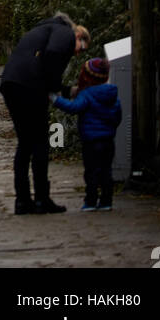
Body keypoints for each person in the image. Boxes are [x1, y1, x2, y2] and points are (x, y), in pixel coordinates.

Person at [0, 12, 90, 215]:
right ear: (79, 36)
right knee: (40, 143)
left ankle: (22, 201)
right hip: (30, 87)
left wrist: (67, 91)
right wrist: (55, 88)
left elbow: (44, 67)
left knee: (25, 144)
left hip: (11, 84)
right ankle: (42, 199)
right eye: (81, 48)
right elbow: (53, 55)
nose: (77, 54)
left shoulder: (43, 29)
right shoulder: (65, 32)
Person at [53, 58, 121, 211]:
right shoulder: (112, 93)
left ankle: (90, 201)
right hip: (108, 139)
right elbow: (118, 115)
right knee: (106, 171)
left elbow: (74, 107)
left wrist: (56, 100)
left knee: (91, 171)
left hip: (90, 140)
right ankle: (106, 201)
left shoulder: (87, 94)